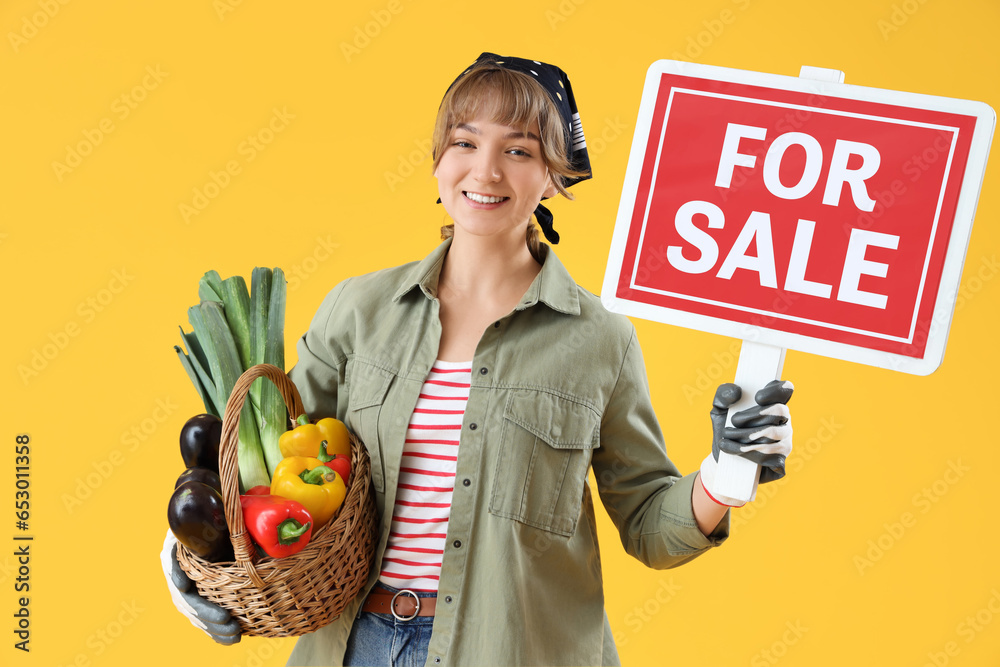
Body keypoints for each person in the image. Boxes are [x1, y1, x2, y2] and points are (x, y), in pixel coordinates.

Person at [162, 52, 794, 666]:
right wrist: (185, 559)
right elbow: (265, 474)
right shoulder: (358, 311)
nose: (486, 171)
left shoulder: (599, 340)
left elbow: (648, 523)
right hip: (354, 647)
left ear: (554, 175)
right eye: (465, 143)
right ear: (439, 160)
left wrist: (723, 474)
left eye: (519, 150)